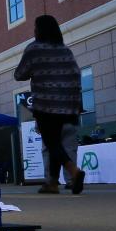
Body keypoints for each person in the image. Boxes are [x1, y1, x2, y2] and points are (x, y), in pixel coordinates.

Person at [14, 15, 85, 194]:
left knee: (51, 142)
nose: (34, 30)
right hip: (67, 104)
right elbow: (76, 75)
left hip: (45, 105)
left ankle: (74, 171)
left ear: (39, 30)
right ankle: (52, 183)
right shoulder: (65, 50)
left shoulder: (34, 49)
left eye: (36, 27)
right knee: (57, 142)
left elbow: (20, 74)